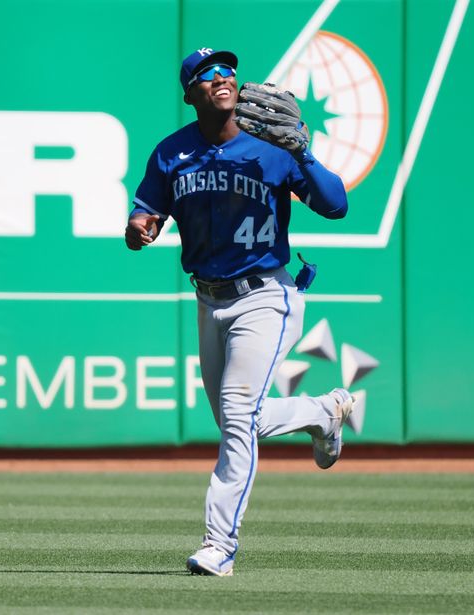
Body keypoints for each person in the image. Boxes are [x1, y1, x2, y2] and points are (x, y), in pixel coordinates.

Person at [124, 47, 364, 577]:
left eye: (227, 70)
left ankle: (219, 545)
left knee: (236, 418)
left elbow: (335, 204)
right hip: (208, 299)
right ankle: (323, 412)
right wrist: (140, 227)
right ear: (191, 94)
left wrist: (303, 153)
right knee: (242, 421)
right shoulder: (171, 153)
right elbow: (145, 212)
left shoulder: (272, 149)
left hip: (265, 296)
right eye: (206, 74)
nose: (220, 77)